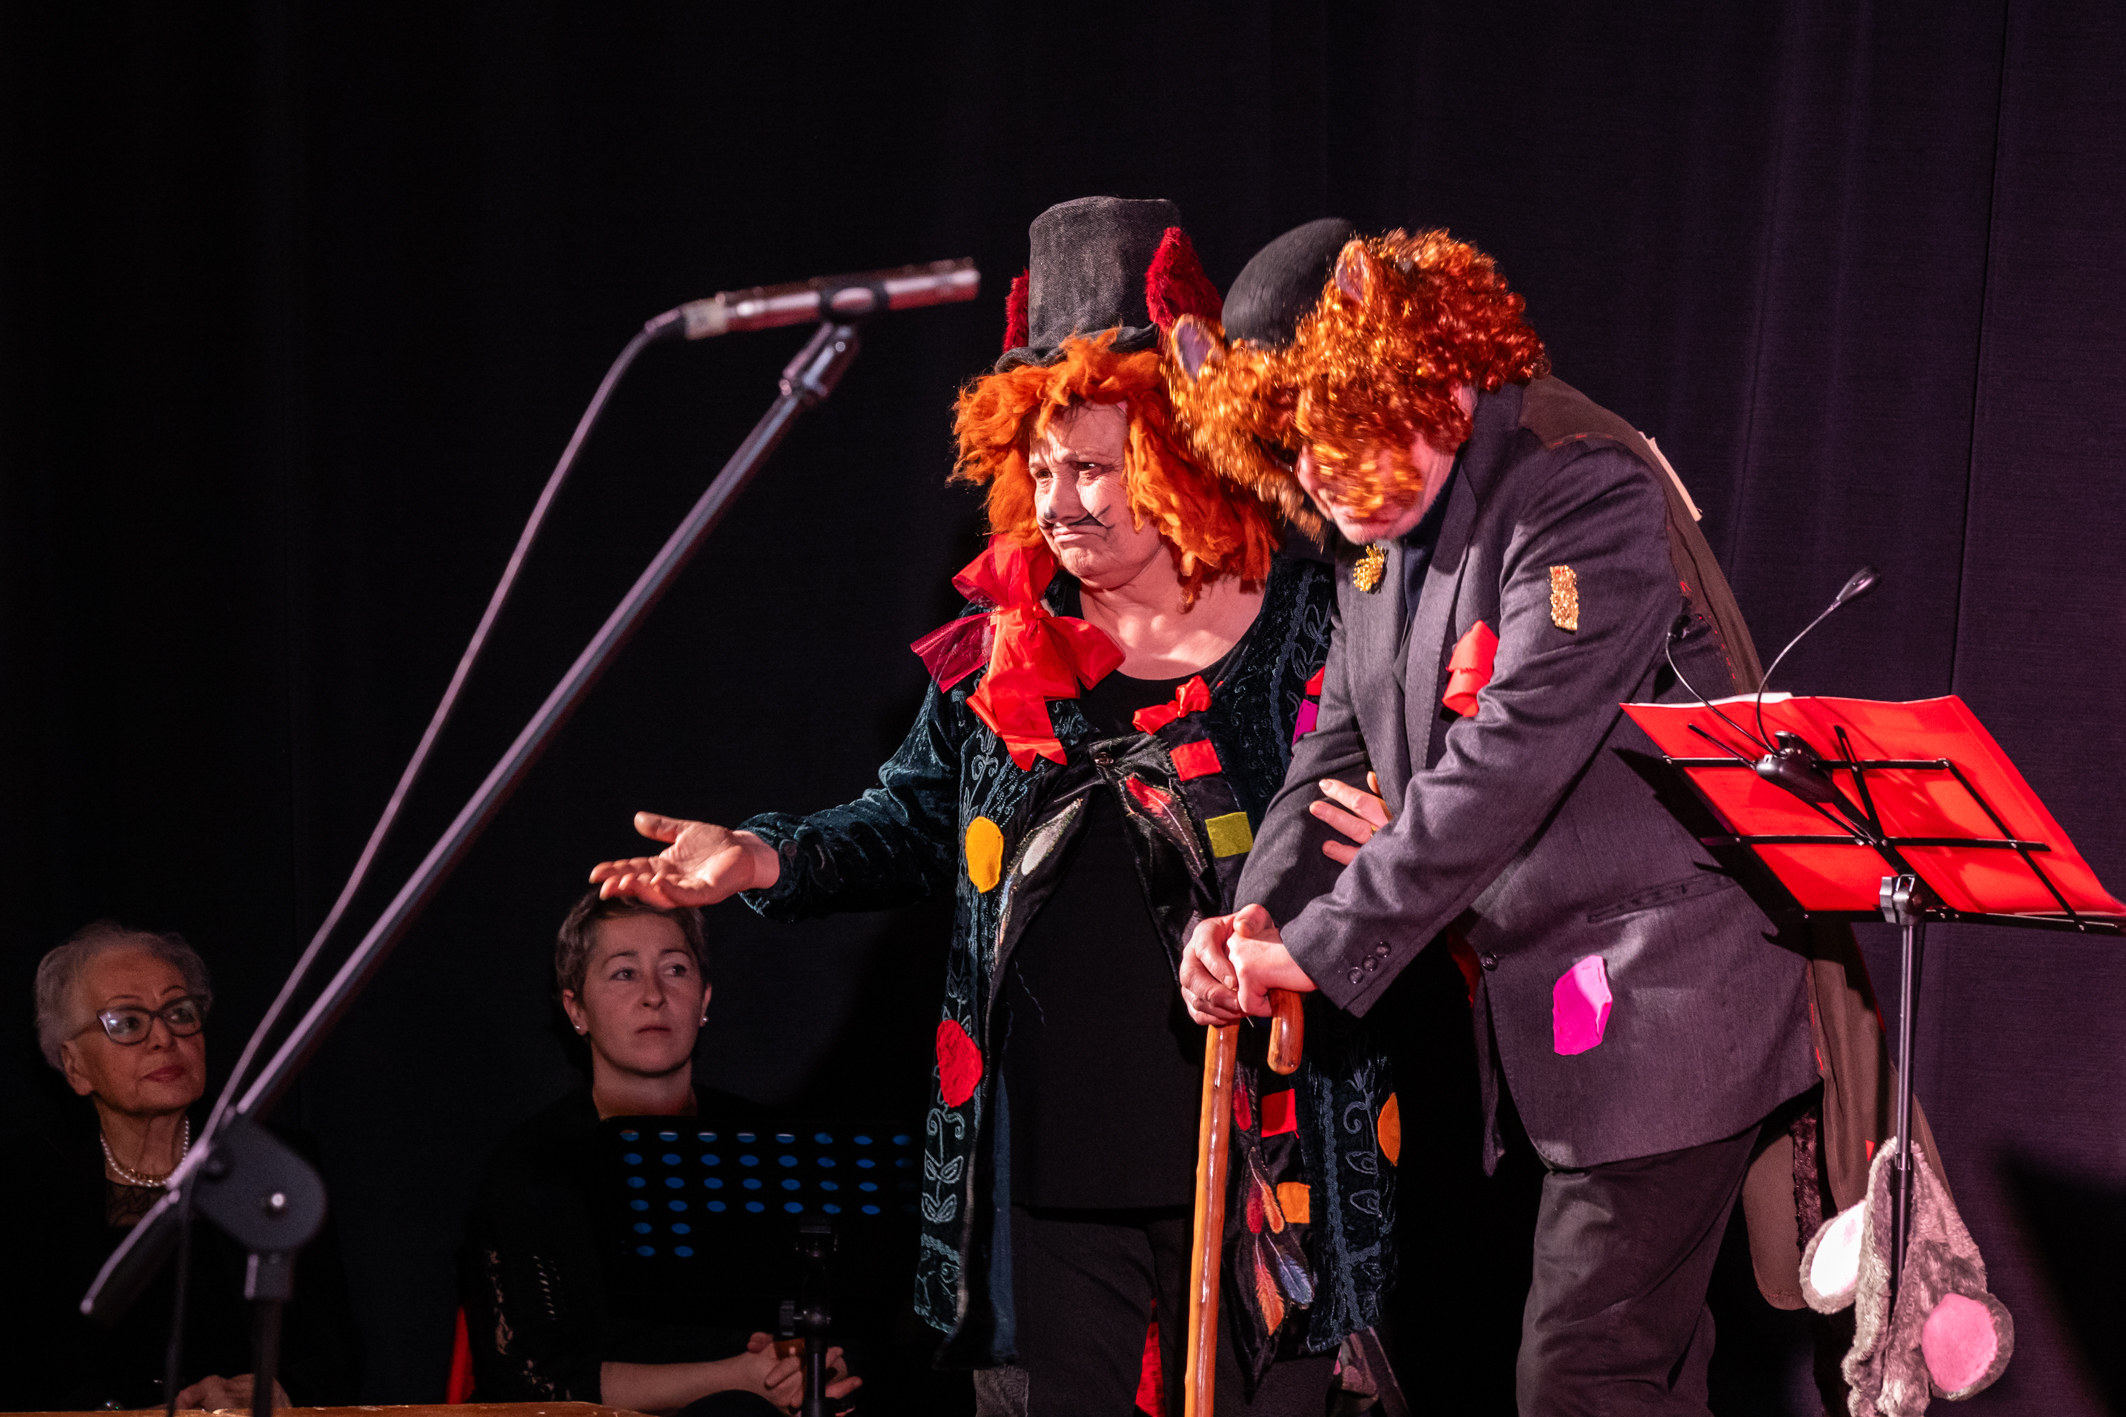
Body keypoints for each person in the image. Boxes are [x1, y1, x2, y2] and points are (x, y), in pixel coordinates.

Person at [588, 197, 1398, 1417]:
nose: (1060, 500)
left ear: (1174, 456)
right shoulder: (1006, 641)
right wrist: (758, 856)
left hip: (1254, 1164)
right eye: (1042, 469)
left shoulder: (1305, 626)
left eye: (1093, 468)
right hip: (1050, 1173)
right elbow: (910, 819)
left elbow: (1398, 823)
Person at [1169, 221, 1822, 1413]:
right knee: (1634, 1376)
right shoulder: (1379, 543)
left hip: (1668, 999)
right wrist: (1252, 916)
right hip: (1555, 1018)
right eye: (1289, 444)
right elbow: (1332, 748)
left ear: (1418, 374)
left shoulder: (1575, 488)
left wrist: (1318, 944)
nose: (1312, 473)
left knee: (1581, 1375)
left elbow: (1505, 759)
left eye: (1332, 427)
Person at [458, 889, 860, 1415]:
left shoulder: (771, 1145)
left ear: (705, 999)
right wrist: (736, 1378)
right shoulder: (533, 1167)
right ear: (576, 1009)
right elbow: (529, 1380)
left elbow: (846, 1316)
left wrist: (810, 1367)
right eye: (624, 973)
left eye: (675, 969)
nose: (654, 995)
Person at [16, 920, 363, 1411]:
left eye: (179, 1012)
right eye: (127, 1022)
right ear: (75, 1067)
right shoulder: (24, 1182)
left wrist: (281, 1390)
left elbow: (336, 1356)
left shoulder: (272, 1163)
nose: (164, 1036)